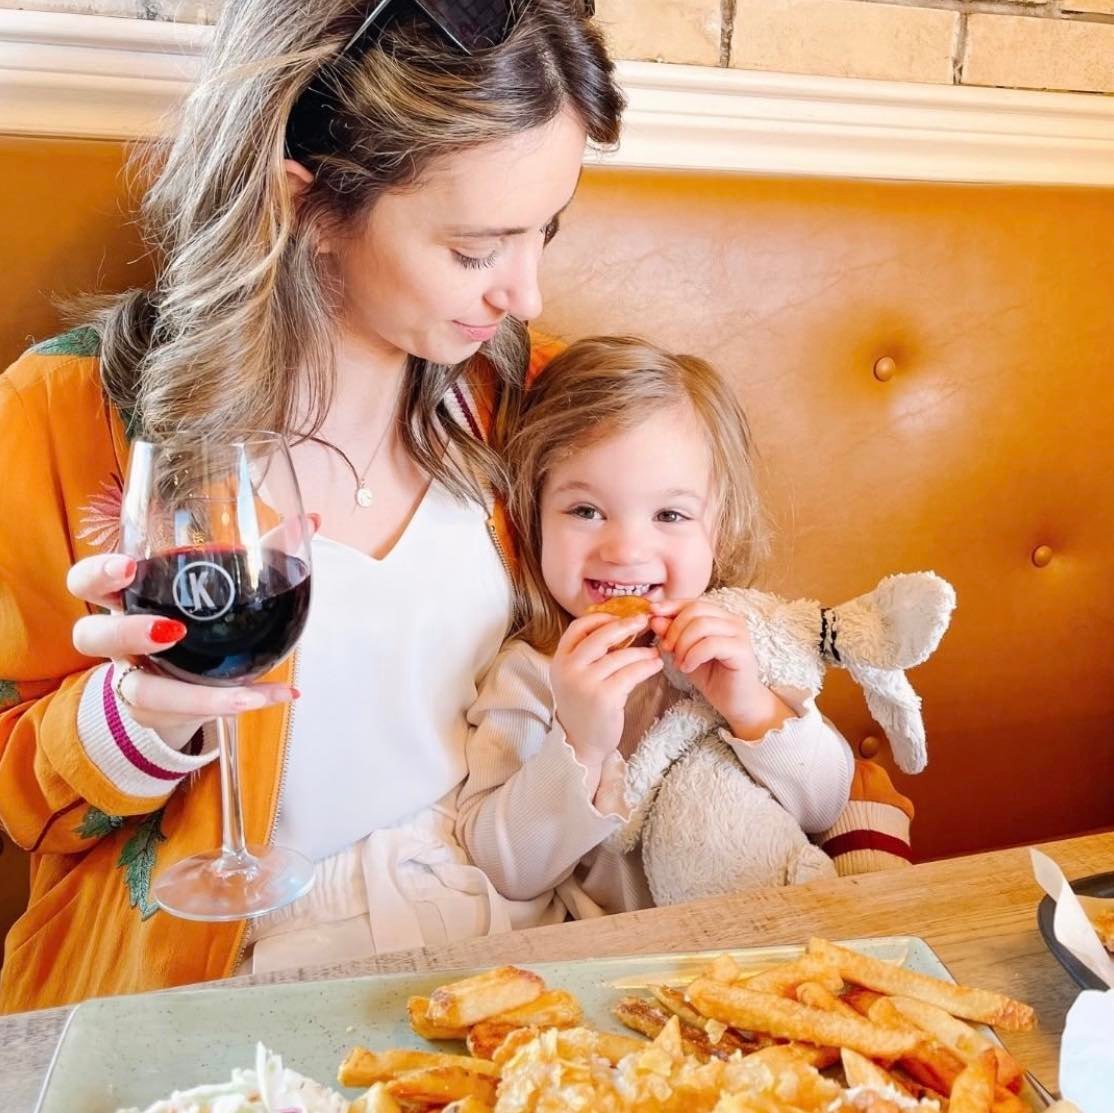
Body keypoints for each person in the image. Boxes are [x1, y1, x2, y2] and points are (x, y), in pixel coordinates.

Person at [0, 0, 622, 1013]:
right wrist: (128, 720)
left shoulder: (533, 407)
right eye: (475, 250)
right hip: (222, 991)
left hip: (513, 974)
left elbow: (707, 659)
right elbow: (20, 797)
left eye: (544, 231)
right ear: (306, 203)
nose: (527, 292)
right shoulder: (64, 417)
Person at [456, 337, 854, 918]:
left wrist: (751, 706)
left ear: (719, 530)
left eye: (670, 515)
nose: (625, 549)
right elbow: (502, 869)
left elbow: (826, 805)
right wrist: (580, 742)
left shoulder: (738, 640)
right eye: (585, 511)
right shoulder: (532, 671)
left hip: (765, 941)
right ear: (532, 516)